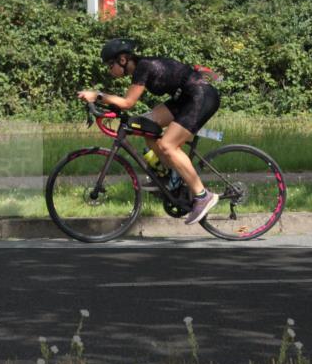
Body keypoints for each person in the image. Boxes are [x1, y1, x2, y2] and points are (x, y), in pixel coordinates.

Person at [77, 38, 221, 226]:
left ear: (122, 60)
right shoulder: (140, 68)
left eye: (110, 64)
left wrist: (97, 96)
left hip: (200, 96)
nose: (109, 69)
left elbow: (128, 102)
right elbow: (126, 104)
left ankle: (203, 196)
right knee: (147, 125)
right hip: (185, 97)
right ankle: (174, 178)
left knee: (168, 145)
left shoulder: (142, 67)